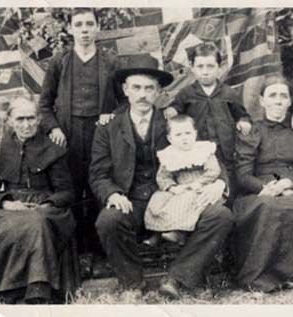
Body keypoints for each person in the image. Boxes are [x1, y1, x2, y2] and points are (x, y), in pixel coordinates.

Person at [89, 54, 233, 299]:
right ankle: (132, 284)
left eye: (149, 88)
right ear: (125, 90)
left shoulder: (172, 123)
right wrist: (113, 193)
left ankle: (178, 278)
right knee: (108, 220)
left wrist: (220, 183)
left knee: (221, 215)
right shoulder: (109, 128)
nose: (143, 94)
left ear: (158, 92)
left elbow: (205, 153)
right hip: (131, 199)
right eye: (136, 88)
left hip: (175, 198)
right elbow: (98, 173)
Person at [0, 97, 80, 304]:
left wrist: (47, 204)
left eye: (31, 118)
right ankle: (11, 289)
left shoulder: (53, 150)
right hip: (11, 209)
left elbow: (67, 192)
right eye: (20, 119)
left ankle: (37, 290)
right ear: (10, 121)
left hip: (47, 210)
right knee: (30, 223)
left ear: (39, 119)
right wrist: (8, 204)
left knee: (37, 222)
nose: (26, 124)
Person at [38, 8, 118, 276]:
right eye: (79, 24)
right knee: (72, 192)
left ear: (97, 28)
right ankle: (78, 255)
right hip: (68, 138)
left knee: (99, 190)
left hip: (101, 137)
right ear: (70, 29)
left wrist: (112, 115)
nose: (84, 30)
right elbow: (44, 104)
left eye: (89, 24)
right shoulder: (60, 61)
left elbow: (124, 101)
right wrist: (54, 128)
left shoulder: (109, 61)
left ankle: (101, 253)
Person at [232, 75, 293, 292]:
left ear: (289, 102)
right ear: (262, 100)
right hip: (258, 190)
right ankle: (259, 277)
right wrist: (264, 188)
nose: (278, 101)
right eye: (272, 95)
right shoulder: (253, 130)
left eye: (283, 96)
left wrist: (289, 183)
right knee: (267, 206)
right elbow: (243, 174)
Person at [163, 42, 252, 201]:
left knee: (228, 183)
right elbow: (176, 109)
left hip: (224, 150)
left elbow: (242, 114)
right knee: (202, 186)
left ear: (219, 67)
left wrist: (243, 121)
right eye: (200, 66)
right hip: (197, 151)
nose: (205, 72)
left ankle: (230, 212)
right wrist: (173, 110)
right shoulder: (187, 93)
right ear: (192, 66)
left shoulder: (228, 93)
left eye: (210, 66)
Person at [143, 115, 223, 247]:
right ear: (170, 138)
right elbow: (163, 176)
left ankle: (179, 232)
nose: (184, 138)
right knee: (159, 198)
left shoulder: (203, 150)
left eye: (188, 133)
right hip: (179, 186)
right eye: (178, 135)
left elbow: (213, 171)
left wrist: (199, 183)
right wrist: (172, 187)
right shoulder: (169, 154)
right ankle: (157, 233)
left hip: (201, 186)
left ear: (195, 134)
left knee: (188, 199)